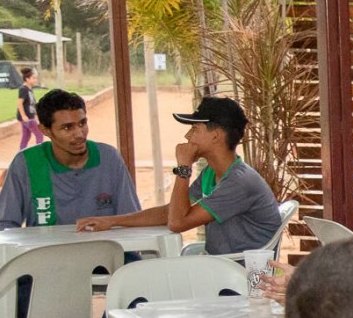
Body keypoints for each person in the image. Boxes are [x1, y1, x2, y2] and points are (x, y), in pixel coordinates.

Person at [76, 96, 281, 256]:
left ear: (216, 136)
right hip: (219, 266)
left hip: (242, 274)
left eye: (194, 129)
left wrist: (184, 167)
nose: (187, 136)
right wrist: (111, 221)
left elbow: (177, 223)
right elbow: (170, 213)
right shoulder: (212, 172)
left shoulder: (239, 183)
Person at [0, 88, 140, 231]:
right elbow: (1, 227)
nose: (79, 134)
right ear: (45, 130)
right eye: (67, 128)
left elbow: (131, 219)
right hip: (46, 249)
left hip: (104, 249)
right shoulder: (27, 162)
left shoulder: (108, 158)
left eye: (82, 123)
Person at [15, 67, 44, 148]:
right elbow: (19, 103)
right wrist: (24, 115)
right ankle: (39, 152)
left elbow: (32, 104)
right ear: (27, 79)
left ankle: (22, 153)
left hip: (29, 116)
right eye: (33, 78)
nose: (35, 80)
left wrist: (36, 115)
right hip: (27, 117)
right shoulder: (23, 89)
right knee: (39, 134)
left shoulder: (29, 89)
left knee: (26, 136)